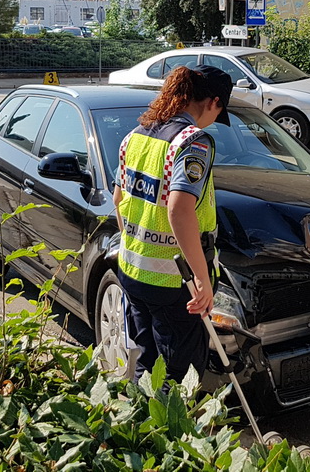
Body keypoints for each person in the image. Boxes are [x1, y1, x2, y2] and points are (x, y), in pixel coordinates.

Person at [111, 65, 233, 382]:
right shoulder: (194, 142)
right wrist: (203, 280)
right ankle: (171, 431)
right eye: (218, 114)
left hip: (132, 272)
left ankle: (139, 428)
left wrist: (135, 242)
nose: (213, 122)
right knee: (179, 376)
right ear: (213, 103)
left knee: (145, 364)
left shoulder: (135, 137)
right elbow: (179, 210)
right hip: (176, 284)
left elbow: (118, 200)